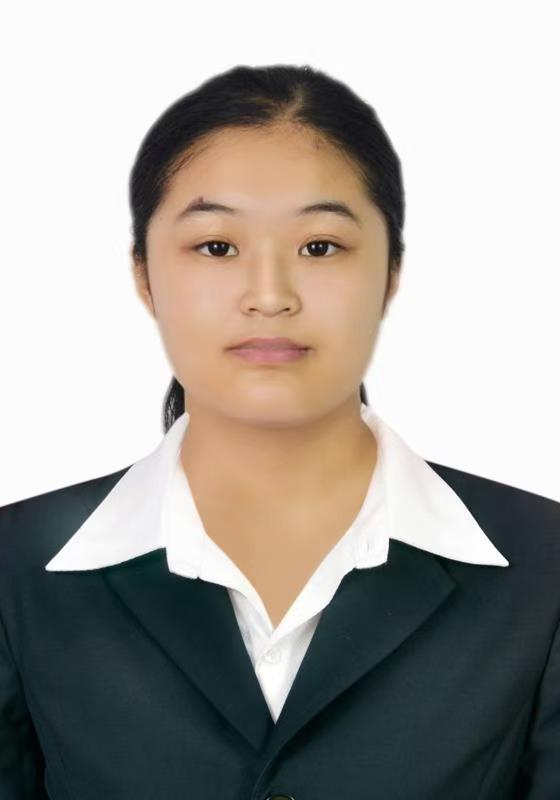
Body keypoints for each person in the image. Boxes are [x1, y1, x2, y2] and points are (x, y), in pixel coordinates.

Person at [0, 63, 558, 800]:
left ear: (391, 272)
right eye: (216, 247)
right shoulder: (15, 568)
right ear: (144, 275)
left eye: (319, 247)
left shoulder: (544, 567)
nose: (269, 296)